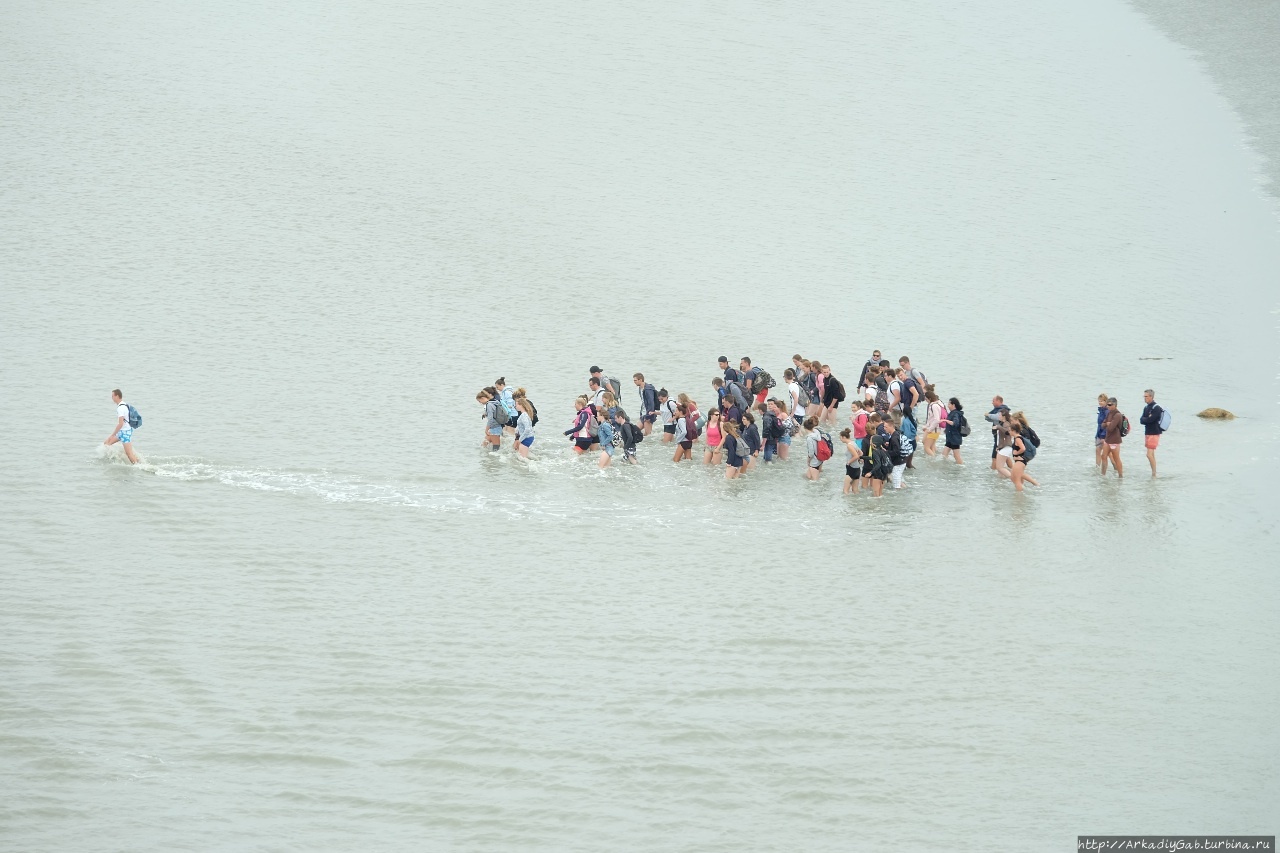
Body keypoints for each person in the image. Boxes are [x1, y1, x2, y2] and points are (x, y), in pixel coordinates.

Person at [104, 389, 140, 464]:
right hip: (122, 432)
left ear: (117, 396)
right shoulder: (124, 404)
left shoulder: (121, 408)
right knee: (106, 443)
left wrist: (112, 434)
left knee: (129, 454)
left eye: (112, 396)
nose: (112, 398)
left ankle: (138, 465)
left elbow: (120, 424)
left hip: (125, 432)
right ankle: (114, 459)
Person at [1139, 389, 1165, 477]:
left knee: (1149, 454)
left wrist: (1147, 419)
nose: (1144, 398)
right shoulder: (1146, 407)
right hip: (1148, 432)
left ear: (1151, 397)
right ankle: (1153, 472)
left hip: (1154, 433)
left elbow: (1151, 419)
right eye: (1144, 396)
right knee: (1151, 454)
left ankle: (1154, 473)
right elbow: (1141, 420)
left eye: (1146, 396)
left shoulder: (1156, 408)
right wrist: (1147, 419)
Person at [1007, 421, 1038, 492]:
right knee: (1014, 477)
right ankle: (1023, 490)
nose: (1009, 432)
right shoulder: (1017, 438)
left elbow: (1023, 448)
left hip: (1020, 461)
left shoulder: (1018, 438)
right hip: (1019, 461)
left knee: (1016, 479)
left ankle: (1019, 497)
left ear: (1013, 430)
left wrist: (1016, 452)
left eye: (1009, 430)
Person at [1101, 396, 1125, 477]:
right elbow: (1102, 425)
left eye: (1110, 404)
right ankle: (1103, 475)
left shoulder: (1118, 415)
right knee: (1103, 456)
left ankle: (1120, 476)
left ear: (1115, 405)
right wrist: (1107, 423)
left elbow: (1111, 428)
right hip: (1108, 439)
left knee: (1116, 458)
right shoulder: (1109, 413)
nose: (1108, 406)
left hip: (1115, 440)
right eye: (1107, 404)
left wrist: (1108, 424)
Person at [884, 418, 909, 489]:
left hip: (898, 463)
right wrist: (889, 445)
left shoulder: (894, 437)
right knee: (899, 480)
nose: (884, 428)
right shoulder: (896, 434)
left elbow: (896, 451)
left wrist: (886, 452)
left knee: (896, 485)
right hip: (902, 461)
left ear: (891, 426)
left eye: (886, 427)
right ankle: (906, 491)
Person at [986, 396, 1010, 469]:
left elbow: (995, 417)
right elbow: (988, 419)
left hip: (1000, 440)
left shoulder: (1003, 409)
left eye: (993, 401)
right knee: (1006, 457)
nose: (992, 402)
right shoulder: (996, 410)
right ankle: (1013, 470)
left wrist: (988, 415)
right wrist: (989, 416)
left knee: (994, 457)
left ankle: (993, 473)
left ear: (999, 401)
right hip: (1001, 439)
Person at [940, 398, 965, 464]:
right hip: (950, 438)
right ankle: (945, 468)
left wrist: (946, 421)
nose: (948, 405)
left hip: (955, 438)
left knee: (956, 456)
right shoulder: (952, 413)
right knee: (944, 455)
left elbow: (955, 423)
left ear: (953, 405)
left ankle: (961, 468)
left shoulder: (956, 413)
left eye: (949, 404)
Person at [922, 390, 945, 456]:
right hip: (935, 429)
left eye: (926, 399)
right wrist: (926, 427)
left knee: (926, 447)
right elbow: (931, 419)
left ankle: (933, 459)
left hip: (934, 430)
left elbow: (936, 419)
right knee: (931, 446)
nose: (926, 400)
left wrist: (929, 429)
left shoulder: (934, 406)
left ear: (930, 398)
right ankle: (933, 459)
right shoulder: (937, 405)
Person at [840, 428, 863, 494]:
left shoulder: (849, 446)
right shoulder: (854, 443)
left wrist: (849, 462)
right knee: (855, 490)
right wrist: (859, 459)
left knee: (845, 491)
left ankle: (846, 504)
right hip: (857, 468)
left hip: (851, 468)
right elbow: (861, 453)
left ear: (844, 437)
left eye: (840, 438)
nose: (840, 439)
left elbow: (856, 456)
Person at [803, 417, 826, 481]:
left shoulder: (809, 438)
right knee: (807, 477)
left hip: (814, 462)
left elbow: (811, 453)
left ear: (805, 428)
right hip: (820, 459)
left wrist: (808, 460)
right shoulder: (817, 433)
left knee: (814, 481)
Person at [1094, 393, 1110, 470]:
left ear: (1106, 401)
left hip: (1105, 435)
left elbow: (1106, 425)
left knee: (1107, 454)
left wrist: (1103, 436)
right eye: (1099, 401)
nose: (1100, 402)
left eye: (1102, 401)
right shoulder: (1100, 410)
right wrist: (1097, 435)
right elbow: (1099, 424)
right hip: (1098, 433)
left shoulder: (1107, 411)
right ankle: (1097, 467)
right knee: (1097, 450)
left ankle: (1114, 468)